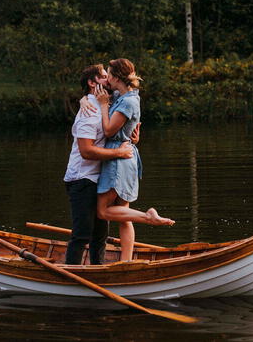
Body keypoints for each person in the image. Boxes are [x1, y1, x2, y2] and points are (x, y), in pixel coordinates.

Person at [91, 58, 174, 262]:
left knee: (102, 211)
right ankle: (126, 263)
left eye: (109, 74)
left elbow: (110, 130)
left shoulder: (127, 101)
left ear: (117, 77)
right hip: (126, 153)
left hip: (118, 158)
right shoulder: (125, 95)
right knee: (124, 215)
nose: (107, 78)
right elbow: (132, 125)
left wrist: (103, 105)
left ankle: (148, 216)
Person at [63, 64, 139, 265]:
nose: (108, 80)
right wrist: (119, 152)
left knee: (100, 235)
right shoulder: (88, 111)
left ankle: (99, 271)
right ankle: (72, 277)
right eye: (104, 77)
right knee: (82, 235)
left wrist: (132, 139)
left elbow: (126, 115)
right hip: (82, 179)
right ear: (92, 83)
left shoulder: (108, 101)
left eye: (108, 76)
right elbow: (86, 151)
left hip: (99, 176)